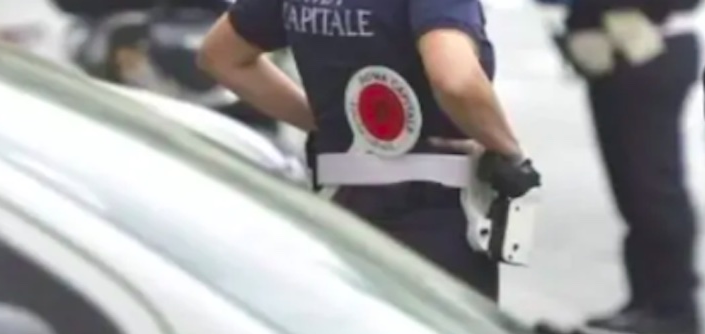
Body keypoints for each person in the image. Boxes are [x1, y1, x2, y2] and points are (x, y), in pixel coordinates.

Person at [194, 0, 539, 302]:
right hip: (434, 218)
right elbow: (456, 79)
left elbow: (221, 57)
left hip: (339, 207)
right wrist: (509, 151)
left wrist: (331, 125)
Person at [553, 0, 703, 334]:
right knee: (633, 189)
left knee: (652, 186)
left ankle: (672, 304)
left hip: (647, 45)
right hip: (614, 51)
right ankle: (647, 297)